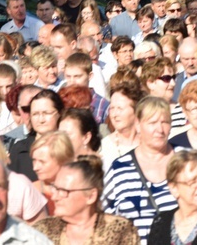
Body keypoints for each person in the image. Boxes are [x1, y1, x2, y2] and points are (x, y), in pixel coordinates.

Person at [103, 97, 180, 243]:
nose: (159, 129)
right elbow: (104, 218)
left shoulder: (187, 162)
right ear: (138, 125)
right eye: (152, 123)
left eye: (164, 122)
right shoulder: (120, 168)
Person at [34, 155, 139, 245]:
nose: (54, 197)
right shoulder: (43, 230)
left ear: (91, 196)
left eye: (63, 191)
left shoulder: (119, 230)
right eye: (55, 189)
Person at [10, 89, 64, 181]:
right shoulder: (19, 150)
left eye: (46, 113)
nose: (41, 120)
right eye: (35, 114)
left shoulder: (68, 147)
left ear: (60, 113)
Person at [100, 77, 144, 172]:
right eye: (112, 108)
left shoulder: (148, 143)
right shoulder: (105, 147)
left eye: (120, 108)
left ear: (136, 110)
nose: (115, 114)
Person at [30, 131, 75, 215]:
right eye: (34, 160)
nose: (35, 168)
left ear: (63, 160)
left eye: (42, 162)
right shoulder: (31, 191)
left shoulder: (80, 191)